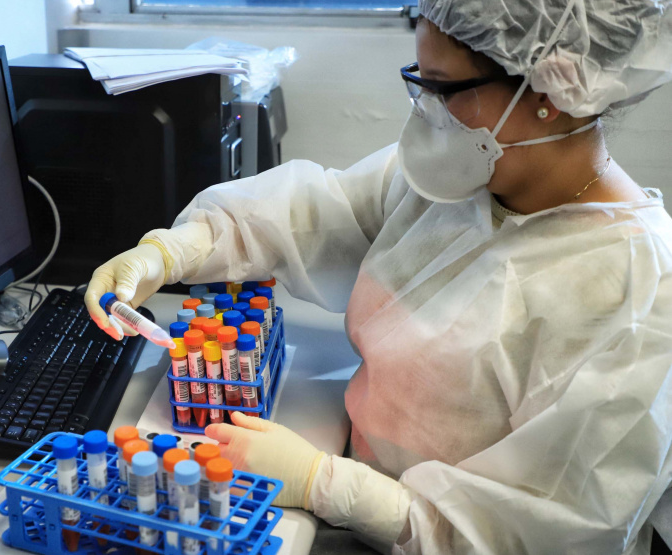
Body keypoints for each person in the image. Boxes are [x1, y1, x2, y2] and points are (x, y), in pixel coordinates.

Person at [85, 0, 672, 552]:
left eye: (443, 89)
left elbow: (541, 534)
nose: (426, 112)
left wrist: (322, 484)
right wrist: (170, 253)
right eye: (420, 81)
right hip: (364, 494)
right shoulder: (460, 187)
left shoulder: (635, 297)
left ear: (552, 88)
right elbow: (311, 213)